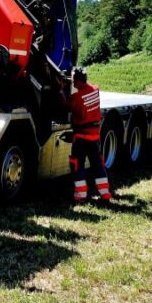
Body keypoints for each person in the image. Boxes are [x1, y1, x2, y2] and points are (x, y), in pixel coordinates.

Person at [64, 66, 112, 203]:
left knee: (78, 165)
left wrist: (60, 89)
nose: (72, 83)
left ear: (78, 81)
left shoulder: (76, 97)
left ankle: (81, 195)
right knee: (98, 166)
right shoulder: (95, 90)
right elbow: (85, 92)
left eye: (73, 80)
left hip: (81, 138)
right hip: (95, 136)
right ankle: (105, 194)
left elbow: (66, 106)